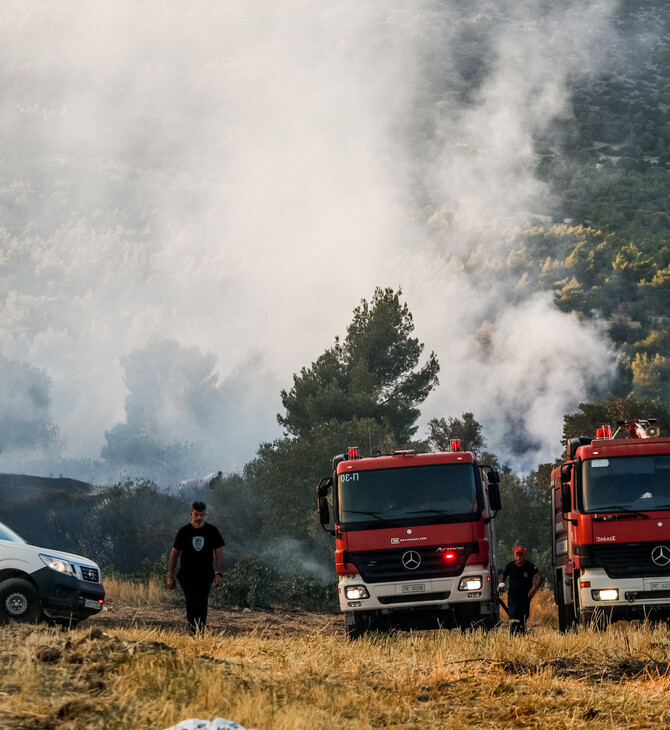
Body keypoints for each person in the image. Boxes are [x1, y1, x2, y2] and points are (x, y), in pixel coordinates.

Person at [167, 501, 224, 634]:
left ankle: (201, 633)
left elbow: (219, 553)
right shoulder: (184, 531)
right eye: (196, 514)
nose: (199, 518)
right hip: (187, 575)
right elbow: (174, 554)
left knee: (202, 604)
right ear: (191, 514)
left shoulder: (212, 531)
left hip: (205, 575)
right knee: (191, 603)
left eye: (202, 515)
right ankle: (193, 632)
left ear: (205, 514)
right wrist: (170, 575)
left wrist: (219, 573)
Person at [498, 545, 543, 635]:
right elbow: (503, 576)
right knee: (514, 614)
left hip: (525, 596)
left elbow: (539, 577)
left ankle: (521, 633)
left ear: (524, 555)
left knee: (524, 615)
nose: (518, 557)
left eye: (520, 555)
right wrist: (500, 586)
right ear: (514, 555)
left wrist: (534, 589)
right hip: (513, 596)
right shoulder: (510, 566)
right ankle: (513, 633)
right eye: (517, 555)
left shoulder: (529, 566)